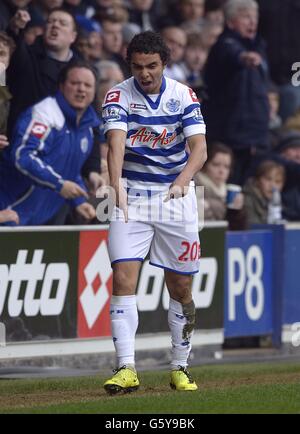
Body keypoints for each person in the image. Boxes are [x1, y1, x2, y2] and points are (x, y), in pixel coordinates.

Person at [101, 31, 207, 394]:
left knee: (180, 286)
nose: (144, 73)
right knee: (122, 278)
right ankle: (126, 368)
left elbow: (200, 149)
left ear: (164, 63)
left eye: (152, 66)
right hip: (132, 195)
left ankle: (180, 366)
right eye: (137, 66)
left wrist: (182, 180)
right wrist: (115, 186)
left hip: (176, 199)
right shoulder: (117, 95)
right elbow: (115, 144)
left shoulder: (183, 95)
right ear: (128, 65)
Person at [0, 61, 98, 225]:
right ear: (61, 86)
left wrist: (78, 202)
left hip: (38, 220)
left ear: (94, 91)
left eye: (87, 85)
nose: (81, 89)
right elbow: (22, 156)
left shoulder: (87, 128)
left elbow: (68, 170)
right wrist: (59, 185)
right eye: (75, 83)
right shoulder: (44, 114)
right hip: (9, 210)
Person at [202, 0, 270, 185]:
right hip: (229, 132)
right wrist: (243, 58)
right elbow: (231, 52)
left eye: (254, 17)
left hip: (253, 133)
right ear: (231, 22)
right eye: (246, 17)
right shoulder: (224, 45)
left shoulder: (259, 46)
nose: (252, 22)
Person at [243, 160, 285, 225]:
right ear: (258, 180)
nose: (273, 185)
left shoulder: (279, 202)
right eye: (268, 179)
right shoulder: (247, 199)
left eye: (277, 181)